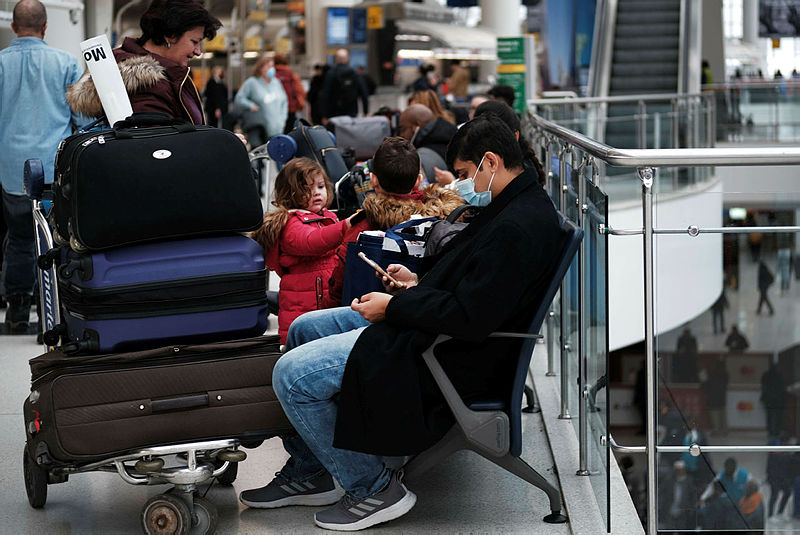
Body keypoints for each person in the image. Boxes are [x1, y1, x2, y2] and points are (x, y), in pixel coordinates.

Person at [238, 114, 561, 531]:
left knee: (291, 375)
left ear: (491, 162)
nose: (462, 184)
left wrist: (392, 308)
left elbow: (471, 316)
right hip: (430, 329)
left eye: (464, 174)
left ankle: (372, 487)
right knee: (304, 328)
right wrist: (416, 284)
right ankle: (312, 470)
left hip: (440, 355)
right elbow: (475, 290)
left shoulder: (517, 227)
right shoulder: (516, 208)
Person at [0, 0, 83, 334]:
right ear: (45, 27)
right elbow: (82, 118)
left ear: (14, 27)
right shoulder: (65, 63)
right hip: (54, 170)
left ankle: (18, 310)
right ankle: (59, 311)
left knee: (19, 237)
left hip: (11, 171)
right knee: (58, 239)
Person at [322, 137, 464, 308]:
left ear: (373, 180)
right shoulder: (446, 218)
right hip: (427, 311)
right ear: (418, 181)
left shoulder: (362, 226)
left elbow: (338, 287)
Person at [249, 158, 355, 344]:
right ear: (290, 194)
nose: (316, 193)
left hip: (324, 303)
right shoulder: (291, 224)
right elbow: (313, 241)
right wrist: (346, 226)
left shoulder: (328, 217)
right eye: (306, 189)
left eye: (320, 186)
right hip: (303, 309)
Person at [68, 0, 221, 124]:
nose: (198, 51)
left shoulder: (128, 67)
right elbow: (161, 147)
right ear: (170, 35)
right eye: (194, 41)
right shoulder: (145, 84)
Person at [235, 55, 287, 148]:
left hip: (277, 127)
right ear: (260, 68)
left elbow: (284, 101)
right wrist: (250, 105)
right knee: (262, 156)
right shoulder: (252, 83)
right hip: (260, 128)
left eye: (272, 66)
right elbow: (239, 98)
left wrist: (283, 118)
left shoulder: (276, 82)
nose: (271, 69)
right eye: (268, 66)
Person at [397, 103, 457, 183]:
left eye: (403, 129)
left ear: (416, 126)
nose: (402, 135)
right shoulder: (451, 137)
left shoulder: (424, 156)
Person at [322, 48, 369, 122]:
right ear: (347, 59)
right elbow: (364, 93)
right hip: (351, 110)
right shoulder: (355, 73)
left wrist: (325, 115)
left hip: (335, 111)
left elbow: (326, 94)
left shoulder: (331, 74)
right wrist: (365, 111)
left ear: (336, 59)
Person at [273, 53, 306, 134]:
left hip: (275, 109)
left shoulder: (271, 75)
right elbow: (301, 91)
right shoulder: (292, 75)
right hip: (291, 108)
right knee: (290, 132)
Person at [658, 460, 696, 530]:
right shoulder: (669, 480)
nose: (680, 472)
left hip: (684, 511)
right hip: (670, 510)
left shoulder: (689, 481)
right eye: (678, 470)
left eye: (681, 470)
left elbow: (693, 496)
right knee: (670, 529)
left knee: (682, 528)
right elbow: (660, 492)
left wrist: (691, 508)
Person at [767, 438, 793, 519]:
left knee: (788, 492)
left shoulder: (786, 452)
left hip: (783, 477)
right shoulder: (776, 451)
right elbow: (770, 465)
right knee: (774, 495)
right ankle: (770, 515)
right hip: (774, 477)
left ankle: (780, 513)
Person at [703, 357, 729, 435]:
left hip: (713, 399)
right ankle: (724, 430)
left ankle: (717, 430)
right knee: (722, 415)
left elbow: (705, 385)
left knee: (715, 416)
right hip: (722, 398)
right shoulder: (726, 375)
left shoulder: (712, 375)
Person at [761, 362, 785, 438]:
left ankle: (770, 432)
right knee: (777, 416)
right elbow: (782, 387)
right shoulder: (779, 375)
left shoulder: (766, 375)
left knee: (769, 416)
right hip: (778, 399)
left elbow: (763, 384)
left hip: (768, 399)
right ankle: (776, 432)